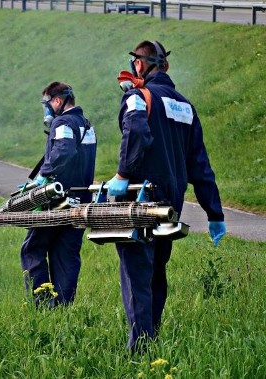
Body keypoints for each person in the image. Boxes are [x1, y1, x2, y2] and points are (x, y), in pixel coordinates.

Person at [106, 40, 227, 353]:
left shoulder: (138, 96)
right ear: (167, 66)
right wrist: (214, 212)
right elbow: (199, 163)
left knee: (136, 274)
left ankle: (140, 348)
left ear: (140, 65)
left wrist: (121, 174)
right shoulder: (185, 106)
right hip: (170, 203)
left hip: (139, 199)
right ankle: (151, 337)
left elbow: (137, 133)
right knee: (156, 272)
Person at [20, 82, 97, 309]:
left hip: (57, 201)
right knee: (65, 254)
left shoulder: (64, 122)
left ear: (56, 101)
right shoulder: (86, 124)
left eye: (47, 104)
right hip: (80, 201)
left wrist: (44, 176)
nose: (46, 110)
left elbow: (64, 150)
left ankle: (43, 305)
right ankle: (63, 308)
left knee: (32, 249)